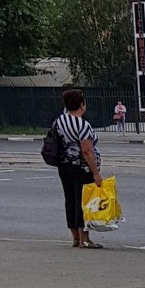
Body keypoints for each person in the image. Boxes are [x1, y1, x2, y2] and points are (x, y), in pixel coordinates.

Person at [54, 88, 104, 249]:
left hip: (64, 166)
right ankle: (85, 239)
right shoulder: (83, 125)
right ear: (82, 105)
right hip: (82, 168)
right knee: (83, 202)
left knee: (70, 200)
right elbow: (87, 150)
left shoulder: (59, 121)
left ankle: (75, 238)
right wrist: (96, 173)